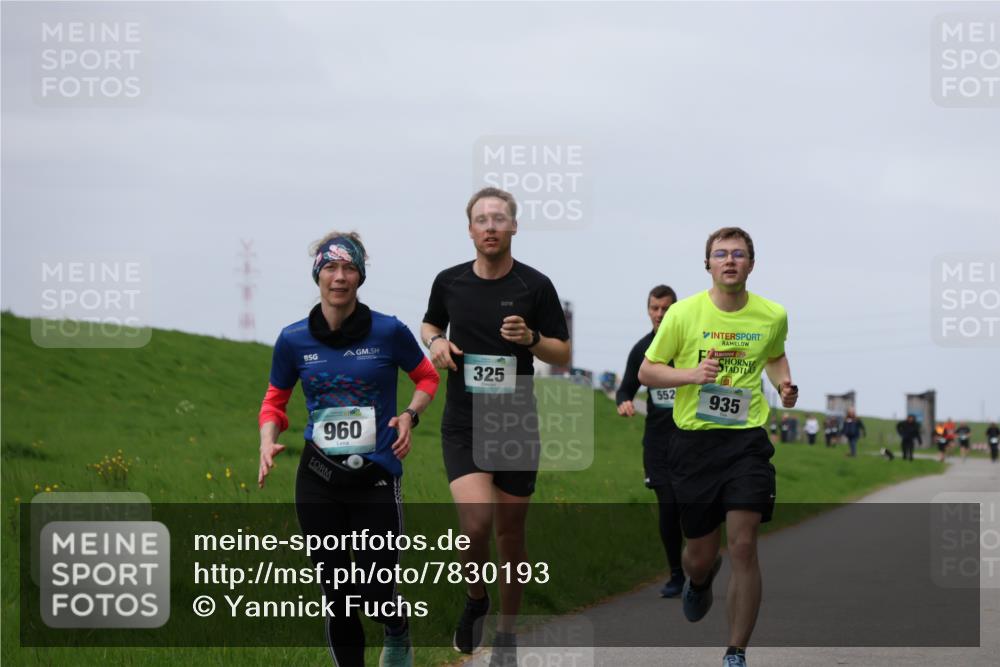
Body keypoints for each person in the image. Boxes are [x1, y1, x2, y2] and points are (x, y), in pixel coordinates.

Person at [257, 232, 440, 667]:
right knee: (337, 595)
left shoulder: (388, 331)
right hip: (318, 478)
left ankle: (396, 629)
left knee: (376, 593)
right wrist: (267, 438)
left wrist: (409, 415)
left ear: (360, 276)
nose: (339, 277)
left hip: (375, 476)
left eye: (349, 268)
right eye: (330, 268)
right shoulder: (293, 339)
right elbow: (274, 401)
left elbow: (427, 377)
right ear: (317, 275)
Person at [421, 187, 571, 666]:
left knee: (510, 533)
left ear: (514, 227)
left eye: (499, 219)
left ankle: (506, 633)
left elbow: (562, 353)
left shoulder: (535, 285)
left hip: (514, 422)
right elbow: (429, 324)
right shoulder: (449, 282)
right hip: (463, 420)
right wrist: (436, 342)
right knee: (475, 525)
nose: (490, 226)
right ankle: (475, 599)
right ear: (470, 229)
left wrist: (531, 338)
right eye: (482, 219)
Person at [638, 227, 797, 667]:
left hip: (747, 443)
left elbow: (774, 355)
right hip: (694, 444)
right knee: (699, 555)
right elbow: (648, 372)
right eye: (721, 254)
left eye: (739, 254)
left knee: (744, 545)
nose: (730, 260)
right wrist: (691, 375)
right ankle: (701, 579)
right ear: (707, 264)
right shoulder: (683, 314)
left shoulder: (772, 314)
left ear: (751, 264)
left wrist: (783, 383)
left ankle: (735, 652)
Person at [616, 284, 685, 598]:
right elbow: (625, 388)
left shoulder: (688, 345)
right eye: (654, 308)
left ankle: (700, 559)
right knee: (668, 506)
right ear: (648, 310)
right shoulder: (642, 349)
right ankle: (676, 574)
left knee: (693, 508)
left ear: (675, 310)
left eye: (666, 309)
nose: (659, 314)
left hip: (691, 440)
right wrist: (623, 401)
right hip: (658, 443)